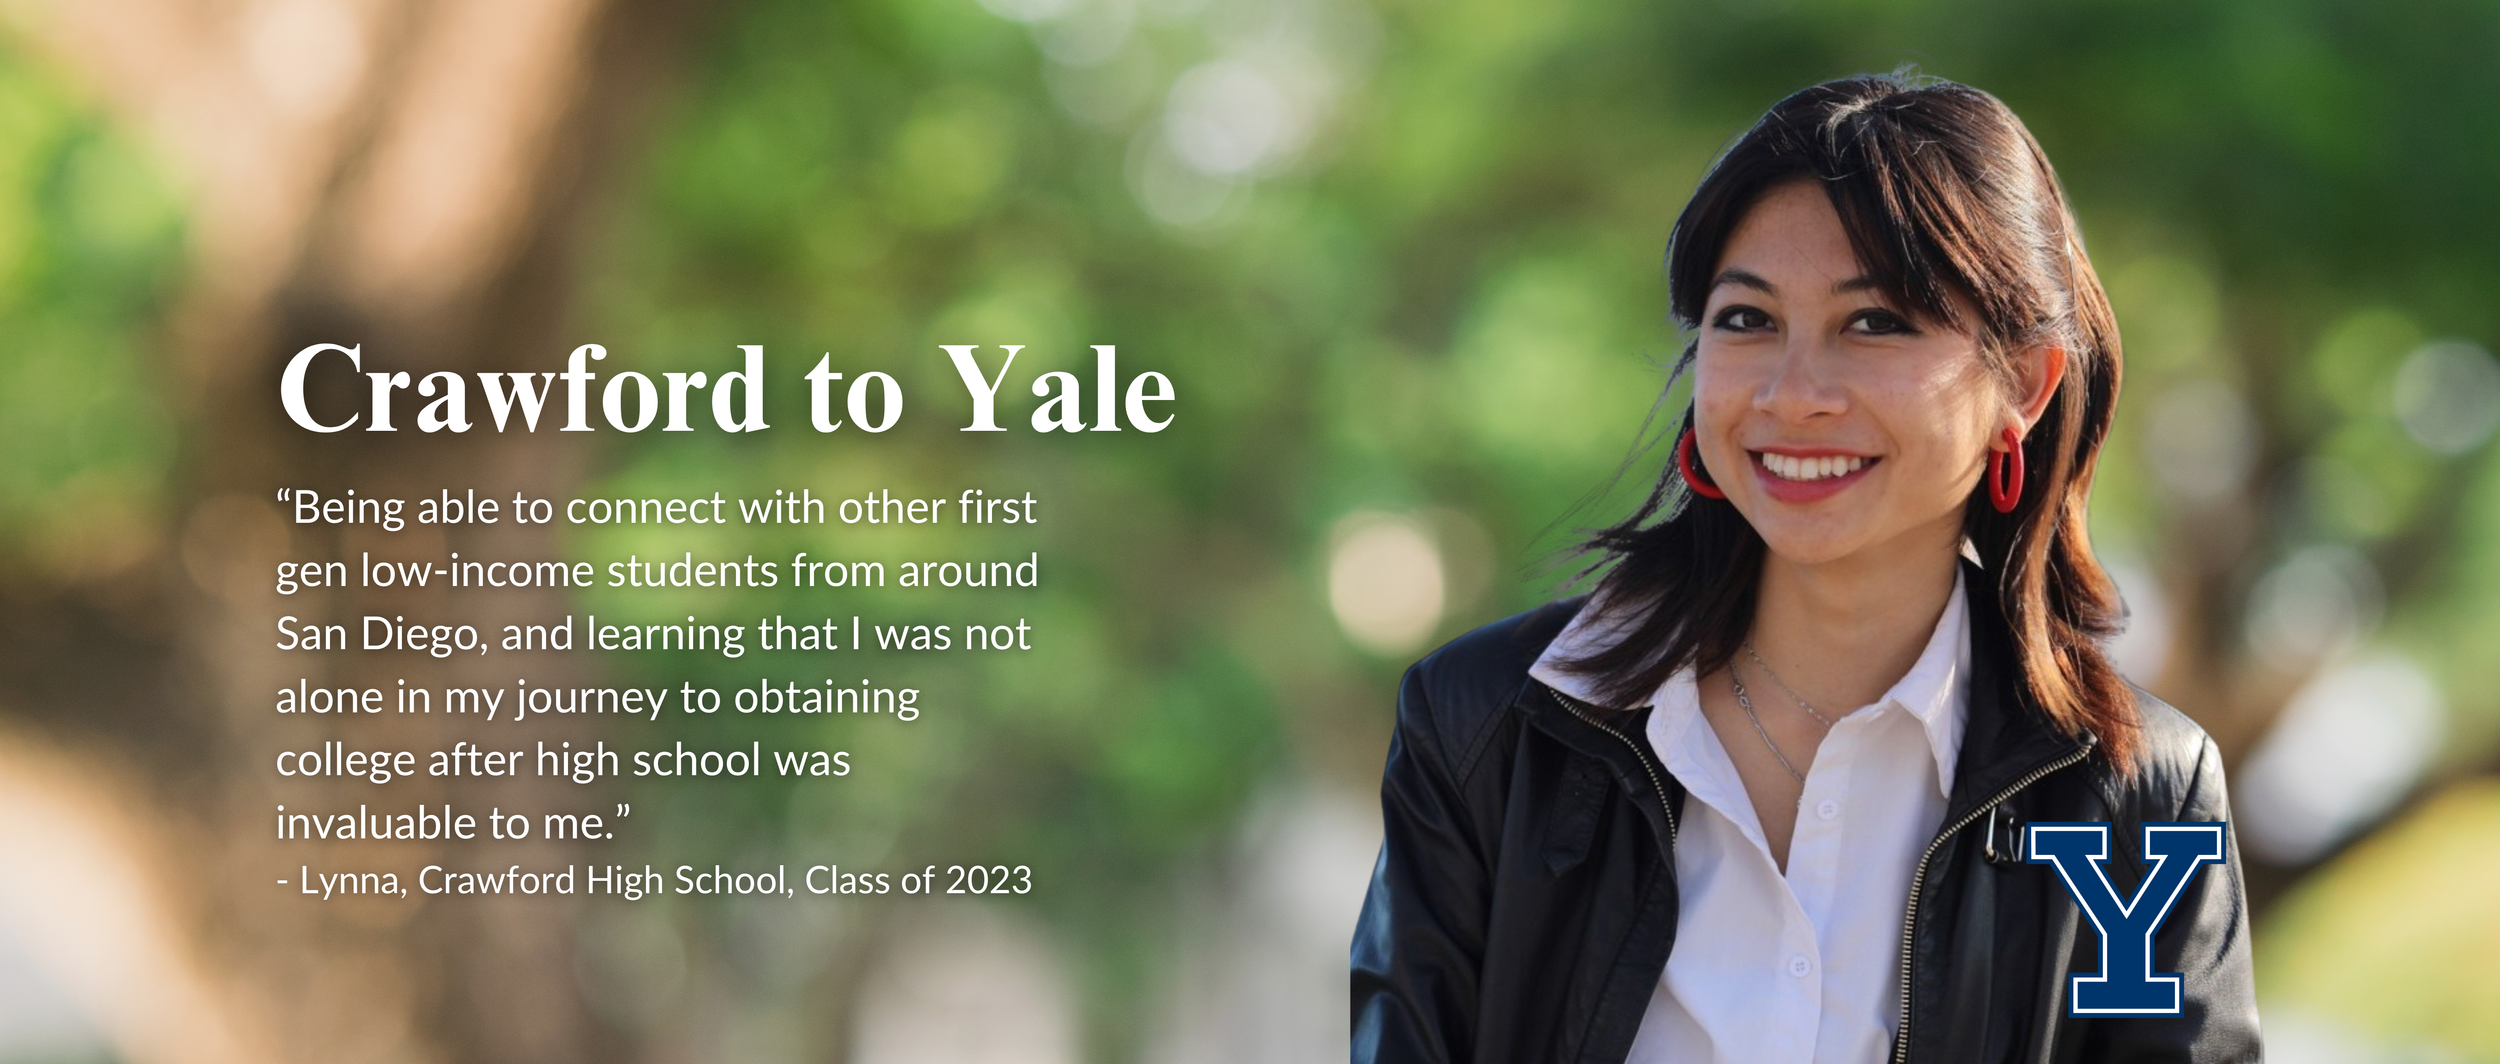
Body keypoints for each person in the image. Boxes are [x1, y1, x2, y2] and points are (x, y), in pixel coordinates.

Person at [1350, 73, 2260, 1063]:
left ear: (2027, 386)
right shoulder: (1486, 728)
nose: (1794, 393)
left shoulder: (2137, 797)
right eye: (1747, 319)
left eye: (1874, 322)